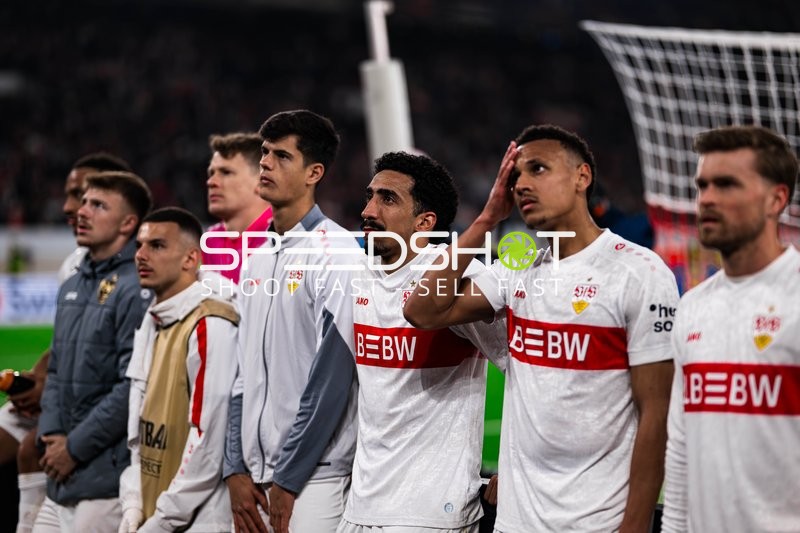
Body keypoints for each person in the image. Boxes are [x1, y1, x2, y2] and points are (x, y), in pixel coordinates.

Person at [404, 125, 678, 532]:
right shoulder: (518, 269)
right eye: (515, 177)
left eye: (538, 169)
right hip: (516, 522)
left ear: (582, 177)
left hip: (596, 522)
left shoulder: (638, 272)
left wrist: (635, 525)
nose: (522, 185)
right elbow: (423, 310)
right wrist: (486, 220)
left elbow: (656, 413)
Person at [338, 151, 507, 533]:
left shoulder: (459, 277)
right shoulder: (358, 272)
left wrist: (516, 464)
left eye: (387, 199)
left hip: (431, 512)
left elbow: (528, 368)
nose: (368, 210)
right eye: (370, 196)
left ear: (424, 222)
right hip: (362, 505)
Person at [224, 110, 361, 533]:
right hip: (255, 479)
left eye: (282, 156)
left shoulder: (337, 253)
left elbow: (332, 380)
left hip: (313, 478)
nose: (265, 163)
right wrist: (235, 467)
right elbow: (241, 374)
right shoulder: (257, 257)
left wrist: (288, 476)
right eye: (265, 153)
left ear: (313, 173)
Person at [661, 125, 800, 532]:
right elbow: (681, 448)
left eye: (726, 185)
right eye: (702, 186)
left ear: (777, 199)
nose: (706, 198)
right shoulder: (692, 307)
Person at [0, 153, 132, 533]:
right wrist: (38, 380)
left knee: (32, 449)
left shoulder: (136, 273)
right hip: (66, 395)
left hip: (99, 410)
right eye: (73, 195)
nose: (69, 207)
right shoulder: (73, 266)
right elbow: (64, 346)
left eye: (84, 197)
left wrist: (53, 399)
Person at [33, 171, 153, 532]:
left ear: (128, 223)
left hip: (106, 480)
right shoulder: (71, 284)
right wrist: (51, 434)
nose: (82, 211)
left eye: (99, 205)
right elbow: (55, 371)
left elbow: (131, 387)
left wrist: (74, 448)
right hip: (61, 472)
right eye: (84, 202)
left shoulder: (137, 288)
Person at [118, 207, 239, 533]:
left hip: (199, 518)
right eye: (139, 246)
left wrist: (162, 520)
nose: (141, 255)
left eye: (157, 245)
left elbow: (207, 441)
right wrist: (134, 501)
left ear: (190, 259)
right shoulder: (153, 319)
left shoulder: (210, 322)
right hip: (155, 509)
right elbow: (139, 426)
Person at [202, 133, 272, 284]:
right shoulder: (209, 242)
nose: (211, 182)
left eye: (226, 172)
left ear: (261, 181)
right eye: (211, 173)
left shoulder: (285, 238)